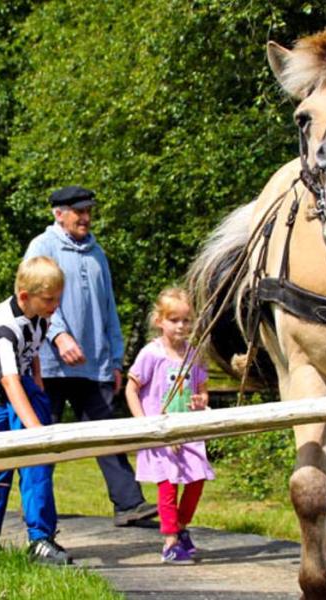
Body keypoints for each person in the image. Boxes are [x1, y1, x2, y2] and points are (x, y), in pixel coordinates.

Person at [24, 185, 157, 526]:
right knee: (44, 440)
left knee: (106, 436)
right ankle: (36, 513)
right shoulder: (42, 247)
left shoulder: (97, 253)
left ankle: (130, 506)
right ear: (59, 213)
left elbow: (108, 308)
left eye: (88, 211)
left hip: (94, 365)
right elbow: (36, 299)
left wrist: (114, 360)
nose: (85, 217)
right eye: (78, 211)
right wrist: (59, 335)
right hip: (50, 365)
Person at [0, 256, 72, 565]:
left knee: (38, 460)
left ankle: (41, 539)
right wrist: (36, 430)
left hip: (19, 381)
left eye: (58, 299)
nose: (55, 306)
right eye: (49, 299)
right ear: (24, 296)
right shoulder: (2, 327)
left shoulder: (42, 314)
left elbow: (32, 349)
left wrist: (39, 385)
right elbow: (7, 380)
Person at [125, 287, 215, 564]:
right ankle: (170, 542)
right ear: (160, 321)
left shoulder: (194, 354)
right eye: (174, 320)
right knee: (168, 485)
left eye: (186, 320)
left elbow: (201, 389)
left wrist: (201, 400)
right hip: (162, 432)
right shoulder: (151, 354)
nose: (181, 326)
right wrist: (145, 424)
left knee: (197, 480)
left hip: (189, 431)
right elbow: (131, 388)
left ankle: (181, 527)